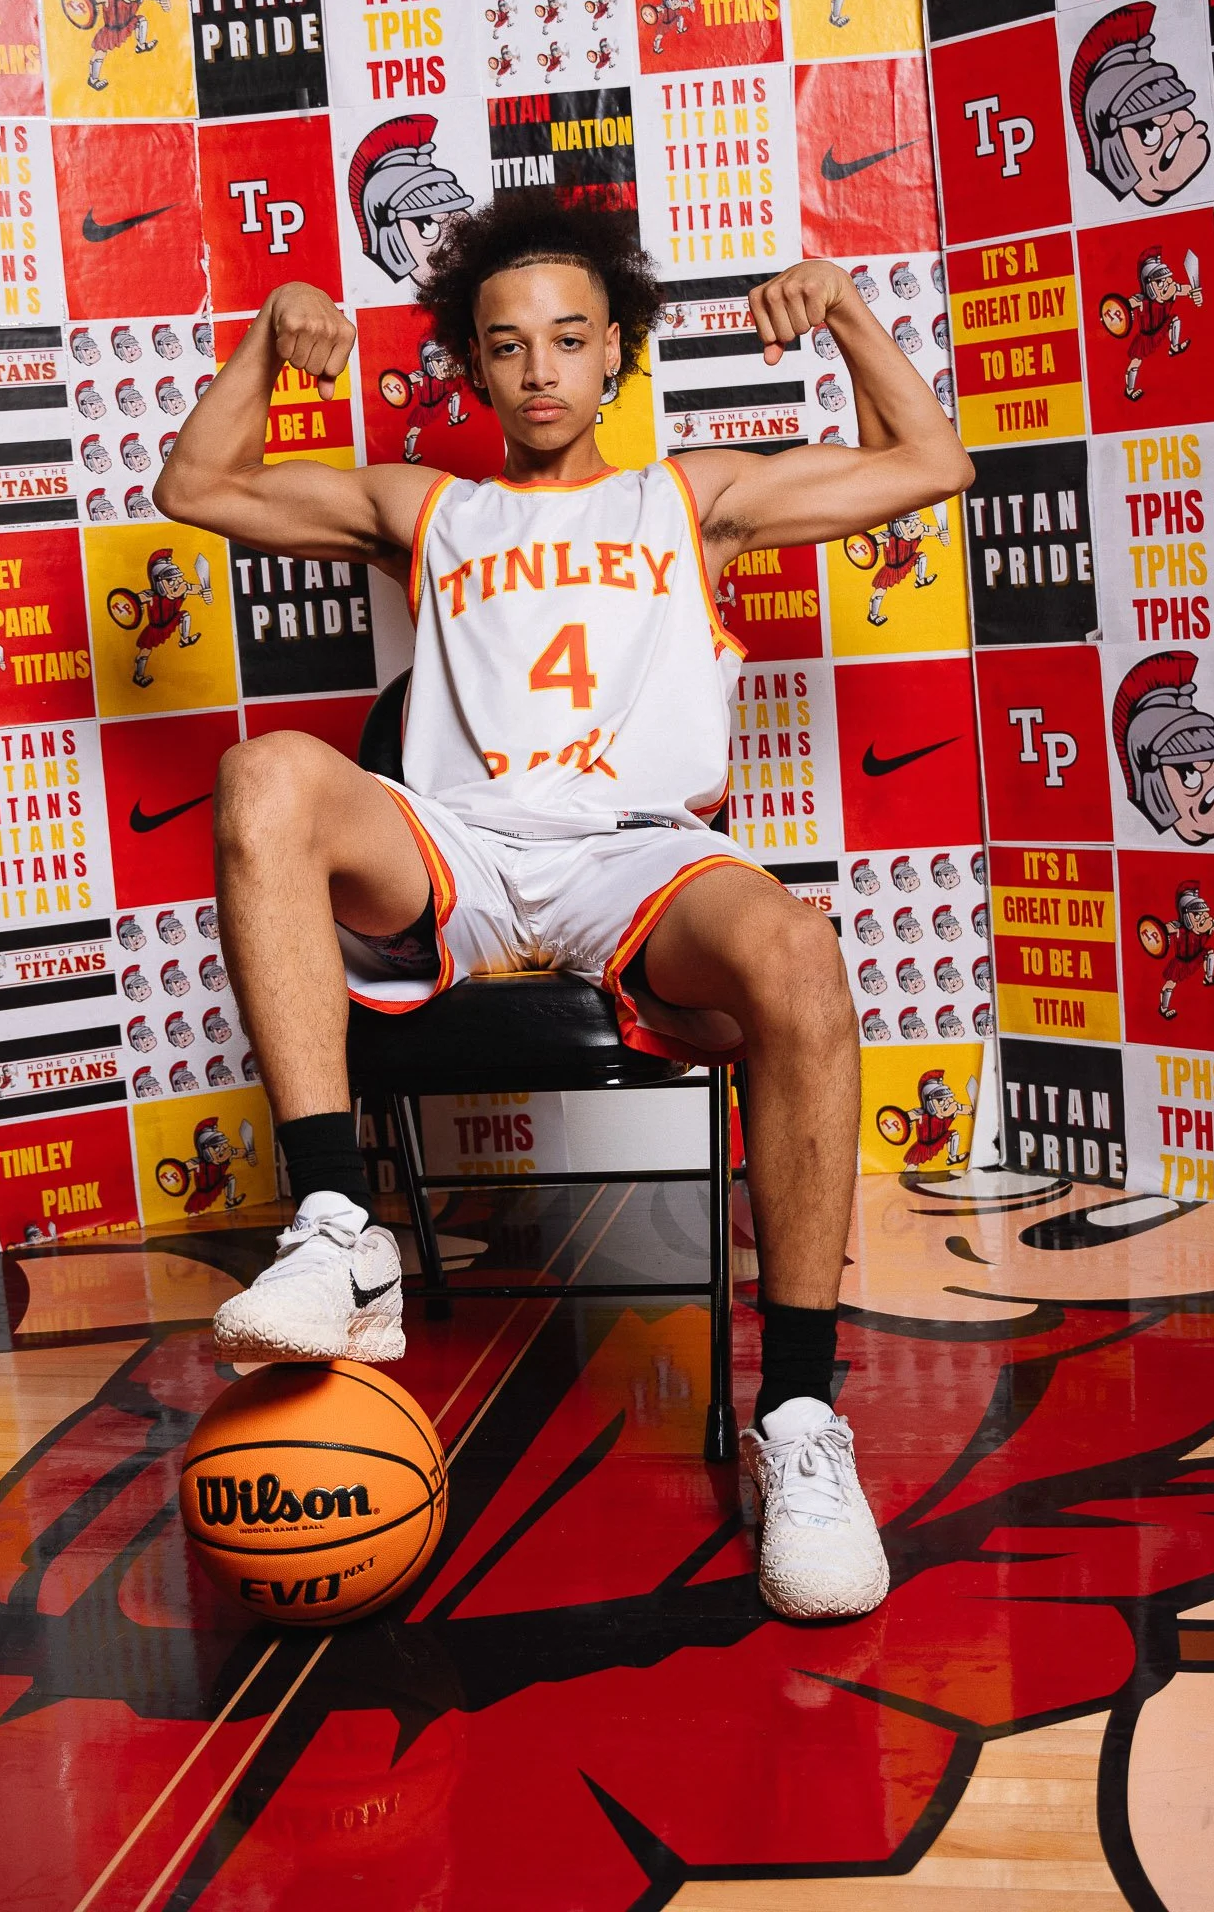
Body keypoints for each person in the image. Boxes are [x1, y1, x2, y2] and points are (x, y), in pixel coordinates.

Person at [154, 198, 973, 1621]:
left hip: (632, 853)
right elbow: (196, 487)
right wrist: (268, 345)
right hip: (460, 848)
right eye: (505, 345)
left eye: (569, 342)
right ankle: (344, 1229)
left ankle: (796, 1420)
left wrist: (843, 309)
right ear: (473, 369)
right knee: (266, 776)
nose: (538, 370)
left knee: (793, 949)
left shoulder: (688, 499)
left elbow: (931, 462)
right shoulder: (430, 508)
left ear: (619, 358)